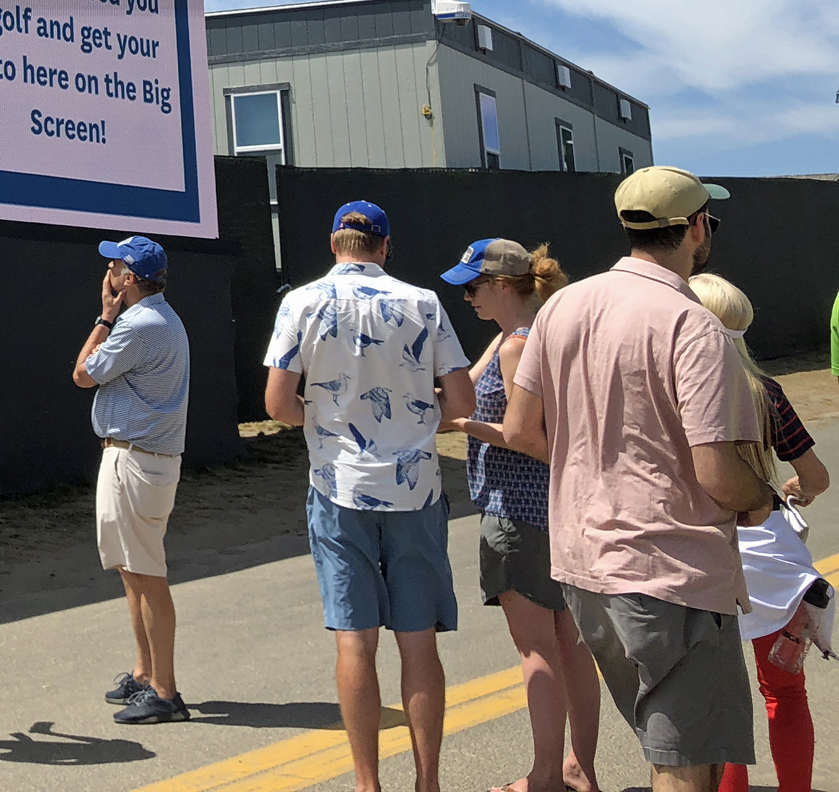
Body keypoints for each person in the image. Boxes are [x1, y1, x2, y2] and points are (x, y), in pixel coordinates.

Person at [503, 167, 772, 792]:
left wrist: (596, 469)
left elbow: (519, 427)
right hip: (669, 571)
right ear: (697, 228)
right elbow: (717, 471)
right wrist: (760, 498)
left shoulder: (562, 306)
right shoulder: (691, 324)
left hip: (584, 565)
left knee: (675, 746)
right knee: (684, 761)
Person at [265, 201, 473, 792]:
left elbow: (277, 404)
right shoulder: (423, 303)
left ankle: (366, 784)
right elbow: (462, 403)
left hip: (338, 487)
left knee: (355, 641)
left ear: (335, 245)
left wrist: (324, 419)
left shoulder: (300, 302)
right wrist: (414, 420)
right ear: (384, 247)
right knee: (418, 642)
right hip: (416, 490)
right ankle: (427, 782)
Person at [439, 238, 602, 792]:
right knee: (573, 647)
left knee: (537, 649)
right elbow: (462, 390)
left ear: (504, 286)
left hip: (517, 508)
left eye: (474, 288)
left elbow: (527, 438)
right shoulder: (539, 335)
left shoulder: (515, 347)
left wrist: (463, 426)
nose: (467, 298)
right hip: (564, 510)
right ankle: (579, 768)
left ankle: (545, 776)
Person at [687, 273, 833, 792]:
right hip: (771, 559)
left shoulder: (673, 393)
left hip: (703, 551)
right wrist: (795, 489)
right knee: (785, 691)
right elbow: (816, 477)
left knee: (719, 702)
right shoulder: (764, 392)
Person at [73, 236, 192, 725]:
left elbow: (83, 374)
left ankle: (166, 692)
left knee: (147, 574)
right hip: (135, 459)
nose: (107, 272)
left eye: (114, 266)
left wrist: (104, 317)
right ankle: (146, 675)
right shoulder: (156, 318)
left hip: (138, 462)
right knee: (131, 570)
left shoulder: (138, 324)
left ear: (128, 280)